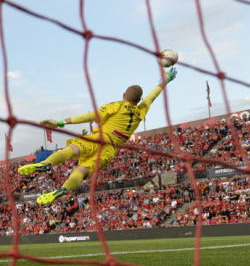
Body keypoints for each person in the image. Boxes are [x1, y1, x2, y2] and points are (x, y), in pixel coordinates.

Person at [18, 68, 177, 204]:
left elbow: (89, 116)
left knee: (72, 149)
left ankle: (46, 164)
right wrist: (165, 81)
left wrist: (60, 122)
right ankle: (63, 189)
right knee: (83, 170)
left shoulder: (117, 105)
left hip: (98, 138)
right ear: (139, 100)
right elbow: (152, 97)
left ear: (123, 95)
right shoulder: (142, 110)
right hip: (110, 150)